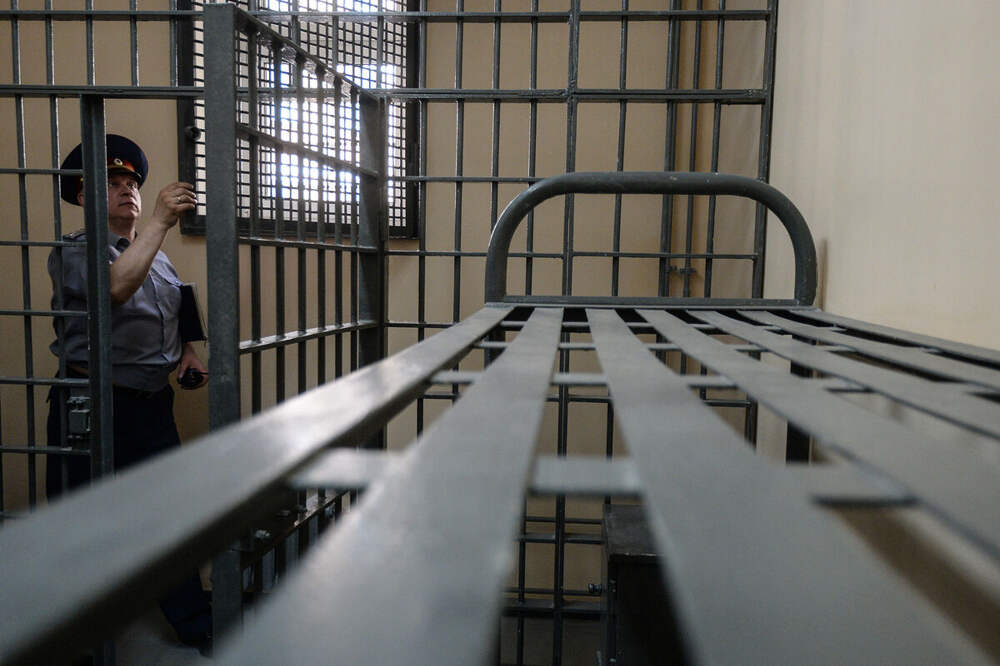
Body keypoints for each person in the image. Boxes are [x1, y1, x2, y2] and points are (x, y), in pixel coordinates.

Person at [46, 134, 212, 652]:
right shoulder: (75, 251)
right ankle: (74, 640)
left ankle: (198, 625)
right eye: (111, 183)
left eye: (131, 183)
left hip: (151, 405)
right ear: (83, 197)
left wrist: (187, 352)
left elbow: (173, 306)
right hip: (92, 401)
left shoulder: (157, 259)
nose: (127, 190)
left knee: (168, 517)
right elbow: (116, 288)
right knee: (79, 520)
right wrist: (160, 222)